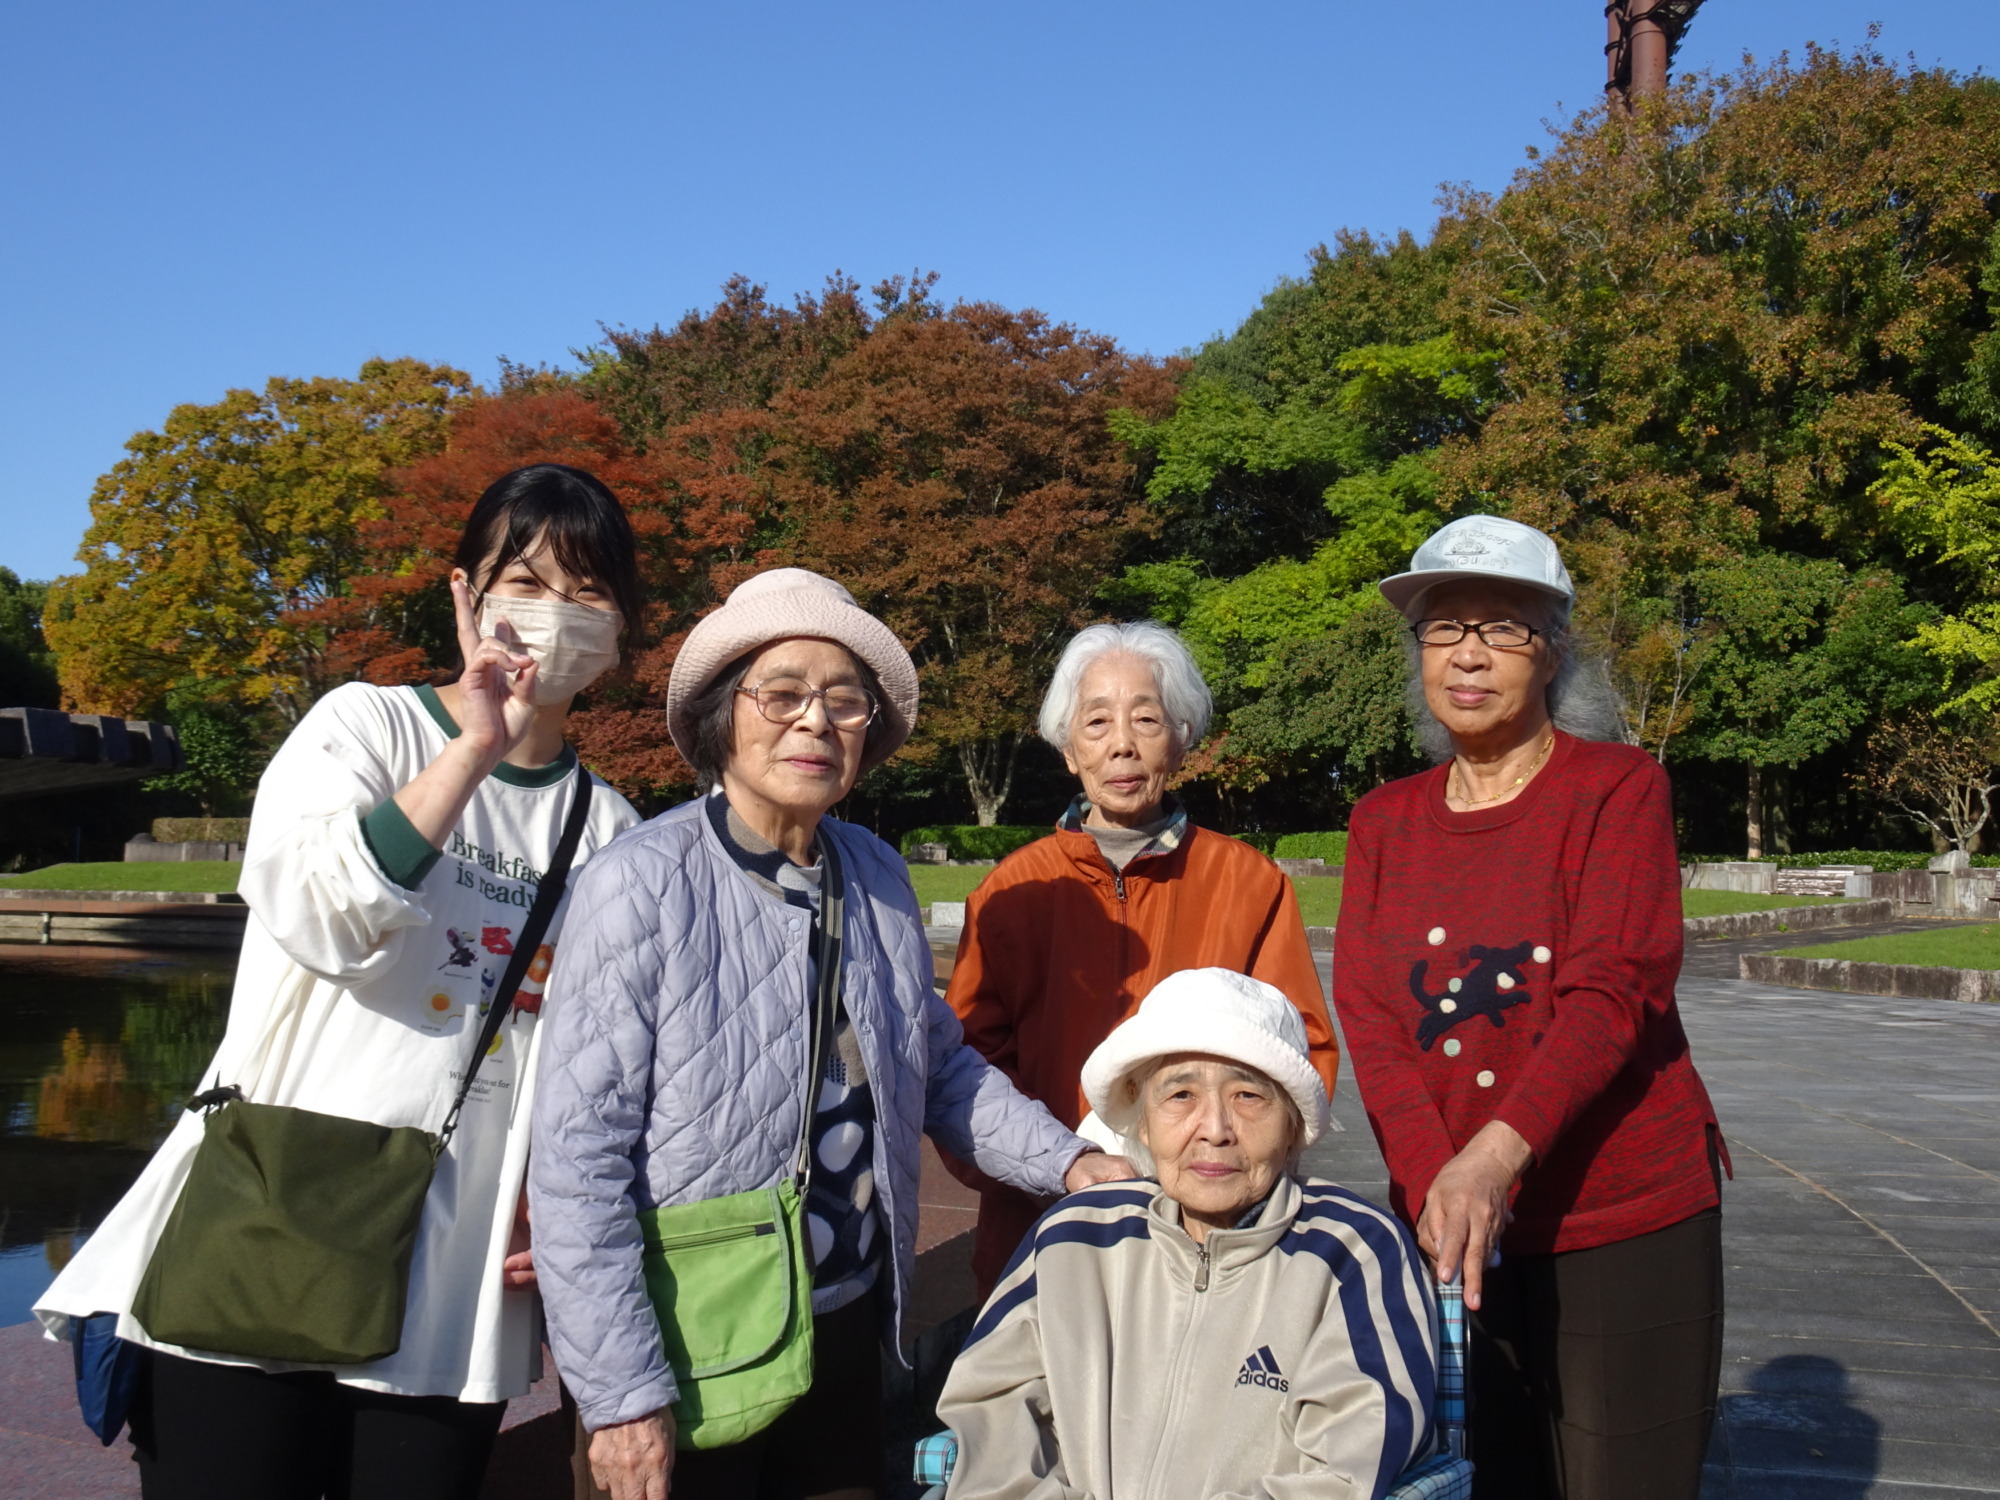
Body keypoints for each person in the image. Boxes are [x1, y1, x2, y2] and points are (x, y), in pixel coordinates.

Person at [36, 464, 649, 1499]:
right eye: (525, 581)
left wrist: (570, 1202)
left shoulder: (611, 830)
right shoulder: (362, 728)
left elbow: (602, 1060)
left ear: (623, 624)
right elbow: (324, 917)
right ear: (467, 594)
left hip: (457, 1274)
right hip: (272, 1218)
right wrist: (474, 751)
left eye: (586, 592)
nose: (554, 616)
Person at [529, 567, 1136, 1500]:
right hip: (693, 1334)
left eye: (843, 702)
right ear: (722, 717)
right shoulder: (639, 883)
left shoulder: (878, 876)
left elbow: (938, 1070)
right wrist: (618, 1398)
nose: (814, 721)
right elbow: (578, 1160)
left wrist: (1070, 1165)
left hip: (845, 1324)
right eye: (781, 694)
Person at [1332, 514, 1726, 1500]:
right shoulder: (1381, 821)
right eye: (1440, 626)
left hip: (1620, 1212)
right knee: (1486, 1477)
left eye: (1501, 625)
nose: (1467, 652)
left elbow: (1609, 992)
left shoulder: (1615, 789)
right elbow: (1372, 1019)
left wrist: (1491, 1161)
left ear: (1551, 651)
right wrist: (1435, 1183)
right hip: (1453, 1221)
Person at [937, 967, 1441, 1500]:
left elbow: (1341, 1472)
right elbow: (991, 1413)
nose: (1216, 1129)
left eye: (1249, 1096)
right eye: (1180, 1095)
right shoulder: (1073, 1238)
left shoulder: (1353, 1251)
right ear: (1143, 1120)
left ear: (1293, 1123)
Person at [945, 621, 1338, 1295]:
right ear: (1068, 749)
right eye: (1095, 722)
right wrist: (1055, 1168)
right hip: (1044, 1228)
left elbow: (1301, 1056)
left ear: (1181, 738)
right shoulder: (1011, 892)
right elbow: (965, 1071)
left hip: (1216, 1236)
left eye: (1146, 718)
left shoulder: (1248, 883)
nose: (1121, 743)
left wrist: (1213, 1172)